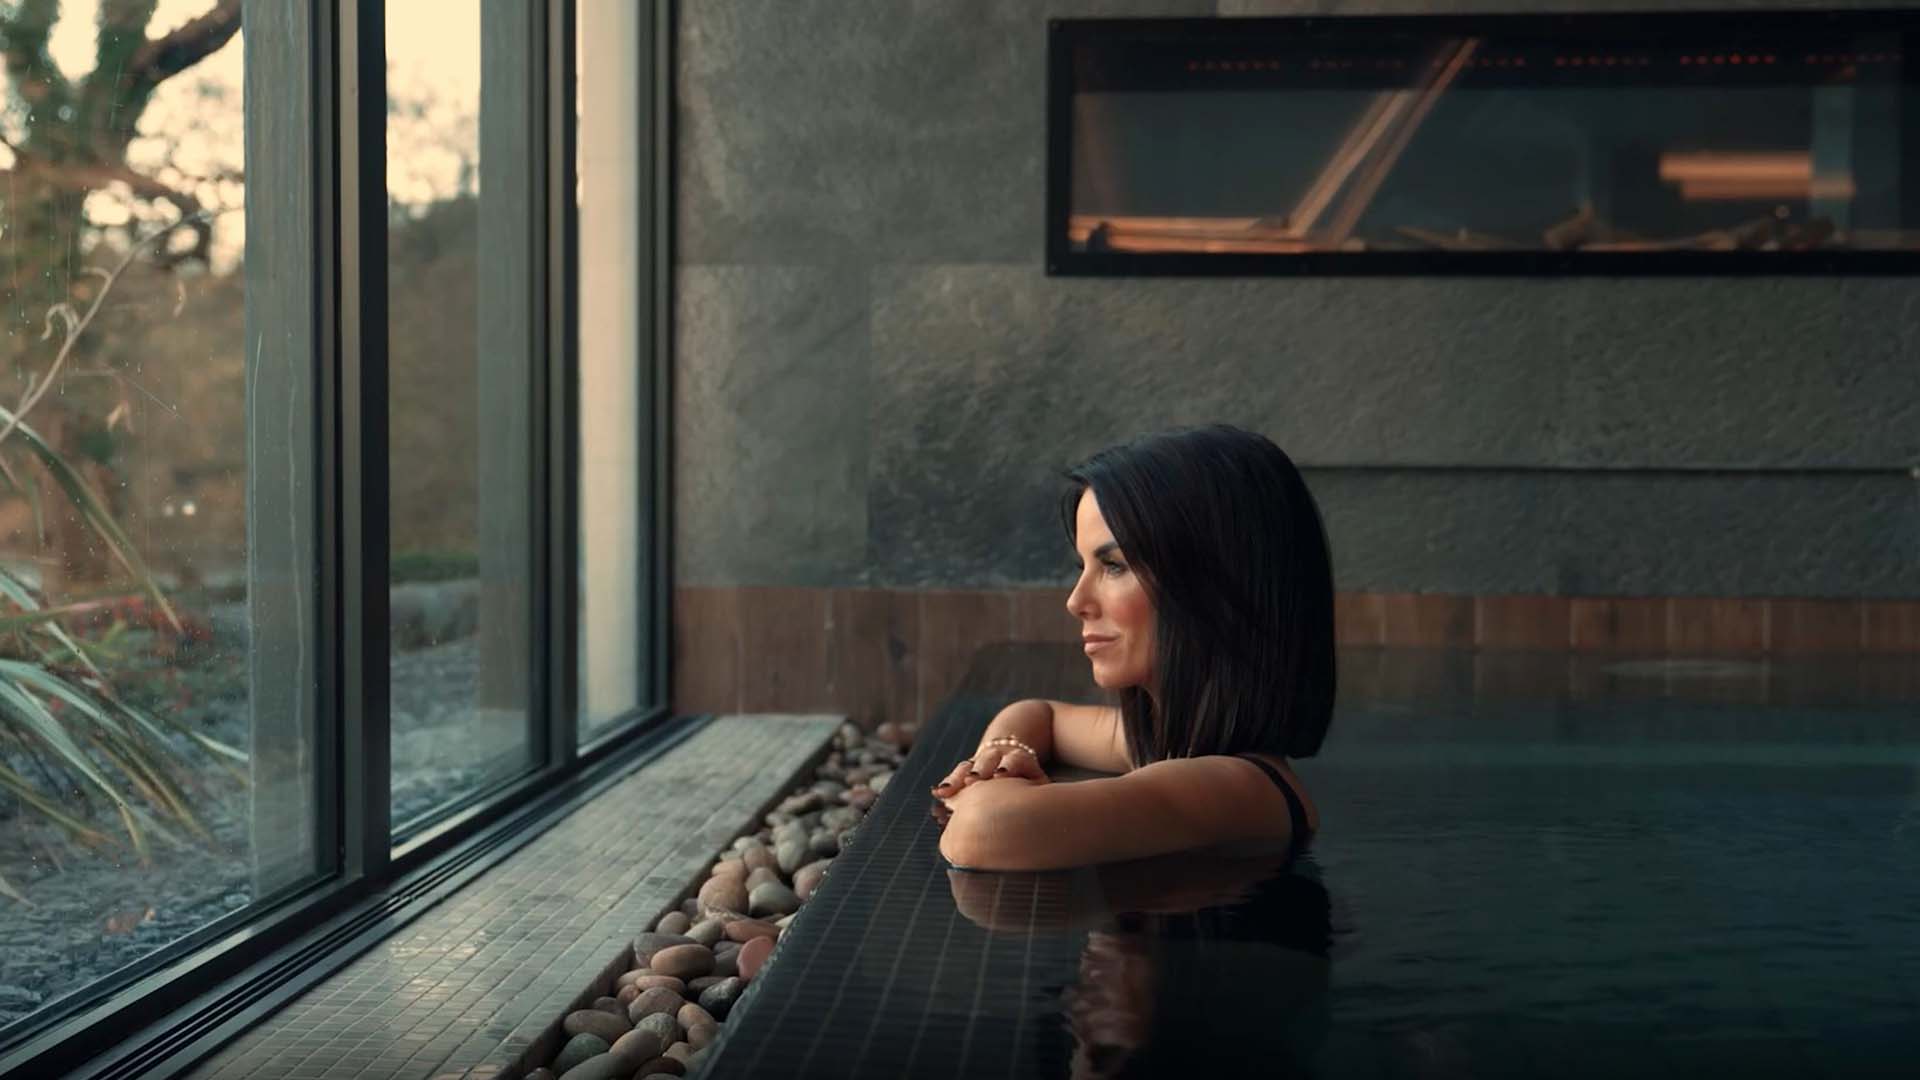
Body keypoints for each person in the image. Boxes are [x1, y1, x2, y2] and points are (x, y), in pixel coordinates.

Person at [932, 424, 1336, 870]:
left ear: (1214, 587)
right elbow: (1039, 713)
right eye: (1083, 567)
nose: (1075, 601)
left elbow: (985, 832)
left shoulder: (1239, 788)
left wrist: (979, 792)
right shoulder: (1171, 740)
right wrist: (1004, 754)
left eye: (1114, 566)